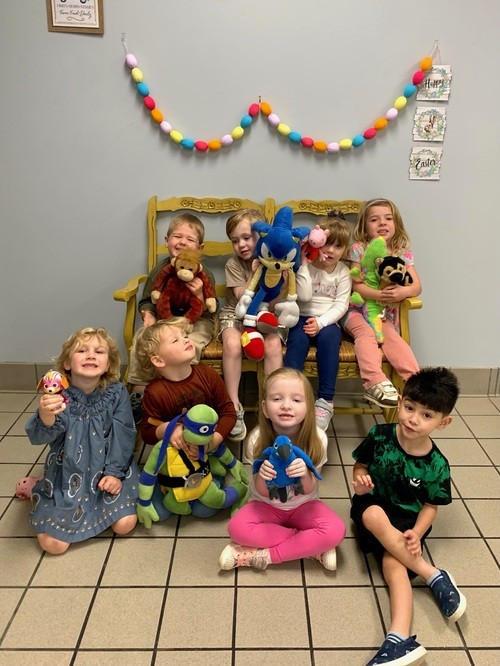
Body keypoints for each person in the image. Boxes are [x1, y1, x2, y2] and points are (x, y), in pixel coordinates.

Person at [351, 367, 466, 666]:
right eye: (410, 408)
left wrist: (417, 532)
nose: (413, 419)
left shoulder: (437, 464)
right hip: (371, 503)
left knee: (394, 566)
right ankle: (432, 574)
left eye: (427, 415)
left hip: (408, 522)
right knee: (374, 516)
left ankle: (398, 639)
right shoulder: (380, 436)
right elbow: (360, 466)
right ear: (400, 402)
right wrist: (360, 481)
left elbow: (430, 506)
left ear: (443, 423)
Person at [23, 327, 139, 555]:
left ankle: (96, 506)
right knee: (54, 546)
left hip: (107, 470)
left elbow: (124, 436)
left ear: (108, 364)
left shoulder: (117, 393)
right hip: (68, 473)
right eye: (82, 351)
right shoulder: (58, 396)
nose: (91, 355)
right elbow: (38, 437)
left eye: (99, 351)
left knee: (125, 525)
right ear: (67, 363)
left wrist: (114, 473)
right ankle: (38, 487)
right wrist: (46, 415)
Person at [218, 367, 346, 571]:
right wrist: (262, 475)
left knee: (336, 531)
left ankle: (261, 555)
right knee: (236, 528)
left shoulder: (318, 438)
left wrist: (305, 474)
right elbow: (261, 491)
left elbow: (310, 488)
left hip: (304, 505)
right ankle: (309, 545)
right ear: (265, 408)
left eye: (296, 400)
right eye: (277, 399)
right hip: (265, 505)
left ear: (309, 407)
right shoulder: (257, 439)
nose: (286, 405)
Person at [134, 317, 240, 520]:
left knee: (205, 510)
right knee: (161, 513)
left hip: (206, 454)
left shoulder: (209, 376)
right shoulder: (154, 392)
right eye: (175, 340)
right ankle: (168, 488)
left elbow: (228, 412)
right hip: (173, 459)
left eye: (184, 336)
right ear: (158, 361)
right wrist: (168, 429)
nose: (185, 340)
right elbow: (147, 432)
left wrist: (213, 442)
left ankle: (214, 481)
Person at [127, 213, 216, 421]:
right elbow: (147, 299)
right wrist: (149, 315)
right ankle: (139, 392)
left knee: (190, 344)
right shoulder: (161, 270)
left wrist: (199, 295)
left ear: (199, 248)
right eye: (177, 236)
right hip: (164, 320)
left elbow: (212, 309)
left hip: (197, 321)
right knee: (142, 339)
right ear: (167, 241)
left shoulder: (204, 274)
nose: (183, 242)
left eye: (190, 239)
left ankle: (183, 389)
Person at [342, 198, 422, 408]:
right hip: (355, 311)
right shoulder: (359, 249)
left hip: (382, 315)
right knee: (366, 334)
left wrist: (403, 291)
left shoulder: (401, 252)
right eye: (374, 220)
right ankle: (374, 381)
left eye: (388, 218)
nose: (382, 223)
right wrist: (378, 294)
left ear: (396, 223)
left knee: (393, 339)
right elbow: (356, 285)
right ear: (364, 227)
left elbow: (416, 286)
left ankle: (416, 384)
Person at [220, 208, 284, 441]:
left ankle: (273, 405)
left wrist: (280, 280)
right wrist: (255, 272)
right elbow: (242, 298)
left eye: (247, 238)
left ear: (263, 237)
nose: (241, 245)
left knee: (273, 345)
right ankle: (233, 405)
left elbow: (275, 302)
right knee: (232, 344)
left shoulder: (277, 263)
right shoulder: (233, 264)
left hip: (265, 316)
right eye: (235, 240)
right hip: (236, 316)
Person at [284, 210, 351, 431]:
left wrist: (321, 322)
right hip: (301, 316)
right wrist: (303, 264)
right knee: (297, 343)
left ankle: (325, 400)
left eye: (338, 246)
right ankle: (291, 395)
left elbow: (341, 305)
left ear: (344, 250)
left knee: (330, 340)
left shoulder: (343, 272)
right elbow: (303, 297)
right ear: (317, 242)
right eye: (327, 244)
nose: (331, 250)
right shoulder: (305, 266)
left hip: (327, 321)